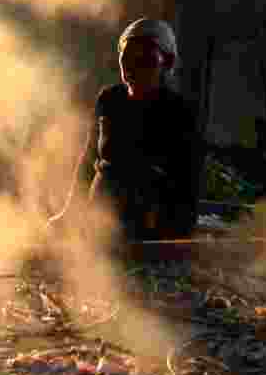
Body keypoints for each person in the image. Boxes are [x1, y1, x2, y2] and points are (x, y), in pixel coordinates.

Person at [48, 18, 204, 242]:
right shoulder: (110, 99)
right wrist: (68, 212)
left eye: (145, 61)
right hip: (97, 218)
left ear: (167, 63)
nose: (133, 69)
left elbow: (187, 185)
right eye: (127, 60)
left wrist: (174, 240)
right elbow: (89, 159)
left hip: (147, 227)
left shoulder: (179, 112)